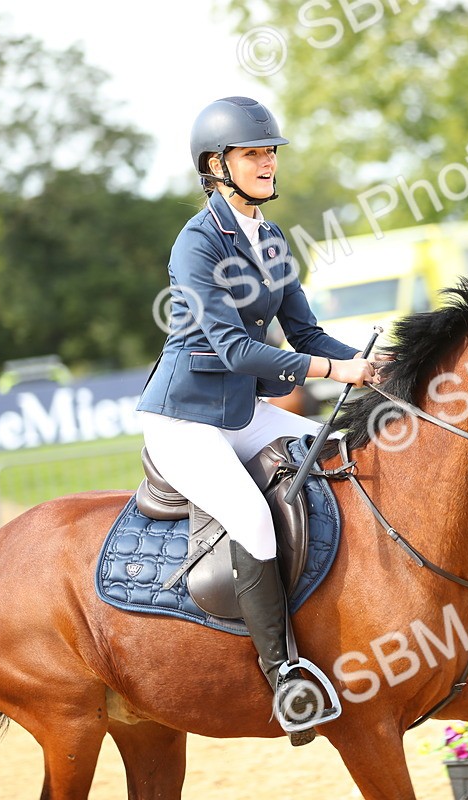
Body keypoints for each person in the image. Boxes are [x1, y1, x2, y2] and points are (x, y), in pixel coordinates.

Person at [136, 96, 379, 715]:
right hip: (184, 420)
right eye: (253, 154)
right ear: (216, 165)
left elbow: (308, 334)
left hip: (242, 413)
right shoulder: (196, 244)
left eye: (270, 152)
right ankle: (284, 675)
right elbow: (238, 349)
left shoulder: (270, 239)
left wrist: (382, 363)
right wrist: (333, 370)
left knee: (337, 459)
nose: (267, 163)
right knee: (250, 515)